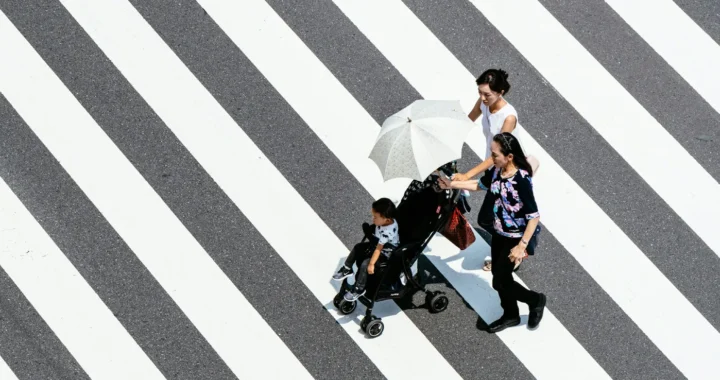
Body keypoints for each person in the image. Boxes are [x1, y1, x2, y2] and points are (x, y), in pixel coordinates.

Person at [439, 132, 546, 332]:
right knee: (499, 279)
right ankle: (511, 314)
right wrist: (451, 184)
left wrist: (521, 247)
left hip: (514, 238)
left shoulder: (521, 179)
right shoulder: (498, 171)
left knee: (501, 280)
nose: (492, 158)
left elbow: (534, 216)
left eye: (495, 154)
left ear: (509, 157)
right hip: (499, 232)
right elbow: (479, 185)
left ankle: (535, 300)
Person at [454, 68, 537, 271]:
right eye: (480, 92)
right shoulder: (484, 103)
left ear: (500, 92)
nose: (482, 98)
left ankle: (519, 248)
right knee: (490, 218)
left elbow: (496, 154)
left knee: (492, 217)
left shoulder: (508, 117)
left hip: (510, 172)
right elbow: (469, 119)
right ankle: (512, 243)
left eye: (487, 94)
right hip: (496, 168)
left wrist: (467, 174)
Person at [332, 198, 400, 302]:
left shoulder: (388, 232)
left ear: (386, 219)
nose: (373, 219)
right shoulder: (385, 221)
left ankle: (359, 288)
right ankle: (347, 268)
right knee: (358, 247)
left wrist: (372, 264)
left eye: (375, 217)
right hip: (376, 243)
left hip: (384, 253)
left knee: (365, 264)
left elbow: (378, 249)